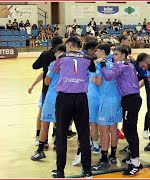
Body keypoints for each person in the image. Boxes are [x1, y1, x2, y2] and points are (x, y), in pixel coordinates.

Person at [51, 36, 96, 178]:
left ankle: (60, 171)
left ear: (70, 44)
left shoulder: (62, 56)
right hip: (81, 99)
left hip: (64, 98)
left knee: (61, 134)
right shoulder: (88, 58)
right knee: (84, 134)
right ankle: (87, 169)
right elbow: (93, 71)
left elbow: (55, 70)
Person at [99, 46, 143, 175]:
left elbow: (108, 76)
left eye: (117, 54)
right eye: (114, 54)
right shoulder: (128, 64)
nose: (114, 56)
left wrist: (102, 64)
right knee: (129, 130)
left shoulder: (121, 64)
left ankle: (135, 163)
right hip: (130, 99)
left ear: (124, 55)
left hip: (130, 100)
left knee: (130, 131)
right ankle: (134, 159)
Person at [31, 44, 66, 160]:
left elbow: (46, 81)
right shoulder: (68, 66)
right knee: (60, 124)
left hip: (52, 97)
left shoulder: (53, 64)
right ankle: (58, 146)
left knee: (45, 123)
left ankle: (40, 149)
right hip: (64, 97)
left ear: (57, 53)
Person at [91, 43, 122, 171]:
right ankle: (113, 155)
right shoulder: (114, 62)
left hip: (106, 100)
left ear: (102, 51)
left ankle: (104, 159)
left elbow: (98, 82)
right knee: (113, 127)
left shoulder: (99, 64)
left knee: (103, 129)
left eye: (96, 51)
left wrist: (91, 78)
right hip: (117, 99)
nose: (95, 53)